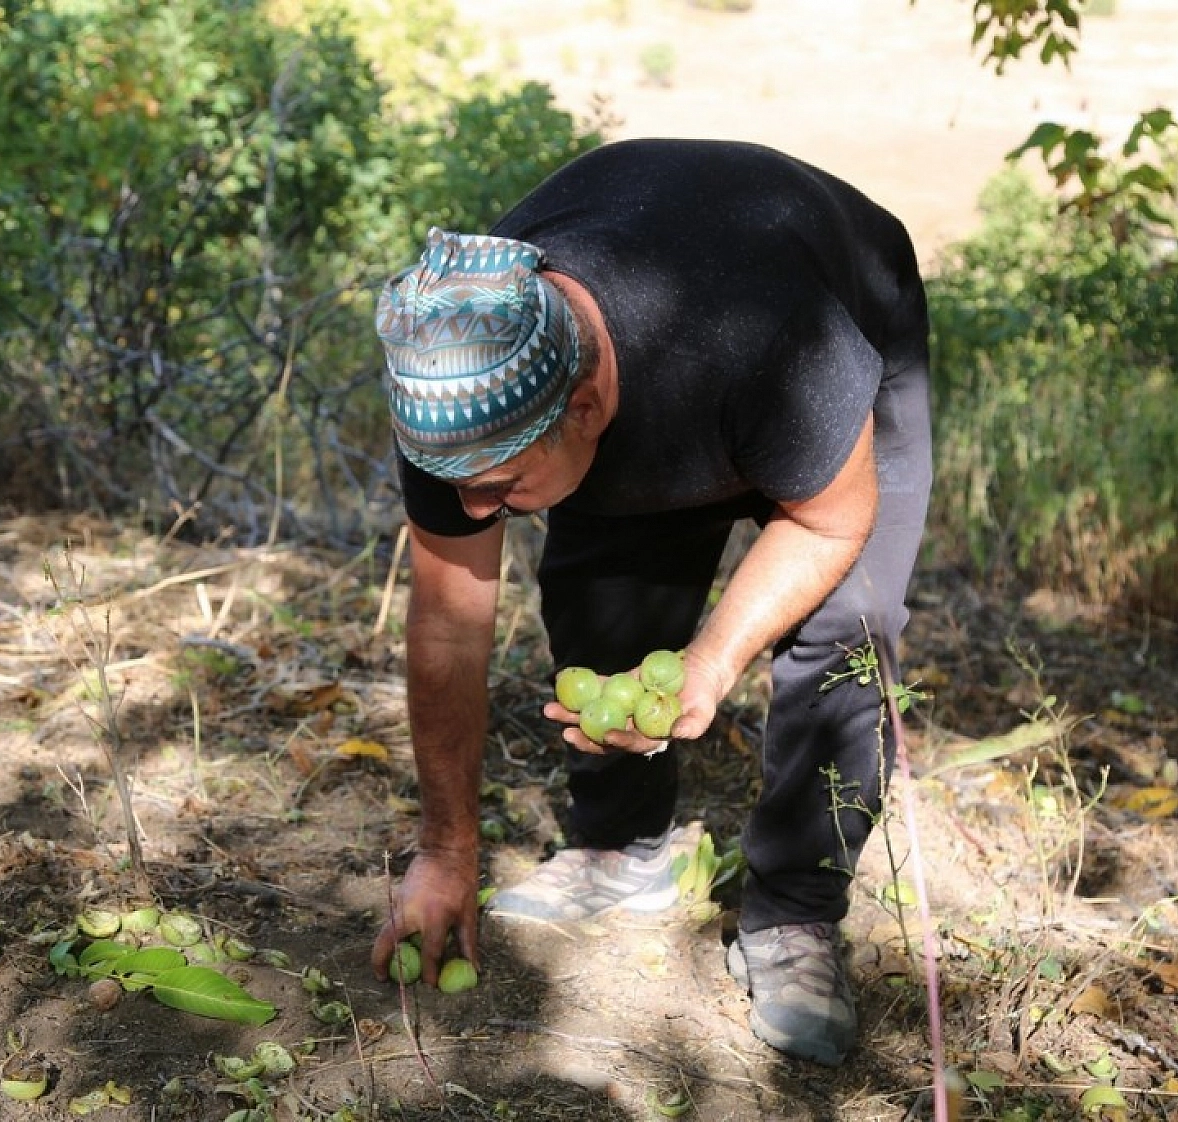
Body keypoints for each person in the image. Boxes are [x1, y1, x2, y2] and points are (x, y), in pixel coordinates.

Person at [366, 138, 933, 1067]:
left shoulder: (761, 341)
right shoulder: (457, 382)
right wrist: (445, 851)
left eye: (499, 485)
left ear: (583, 406)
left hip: (826, 309)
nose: (474, 511)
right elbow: (448, 623)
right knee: (602, 588)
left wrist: (712, 661)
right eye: (455, 484)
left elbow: (831, 525)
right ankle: (625, 847)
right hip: (665, 383)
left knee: (848, 630)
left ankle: (795, 914)